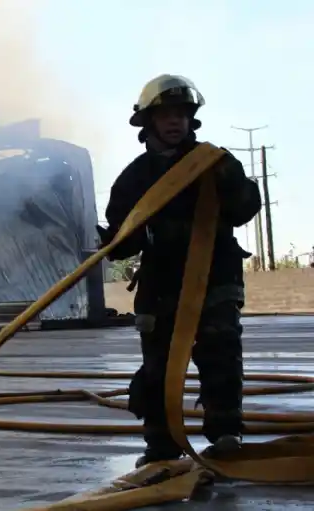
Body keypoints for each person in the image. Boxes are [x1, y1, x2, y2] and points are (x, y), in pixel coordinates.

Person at [96, 74, 262, 468]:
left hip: (214, 278)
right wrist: (108, 240)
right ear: (148, 122)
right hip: (161, 284)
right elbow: (125, 241)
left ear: (191, 119)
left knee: (221, 356)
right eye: (165, 114)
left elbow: (243, 210)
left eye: (181, 114)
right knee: (159, 366)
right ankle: (162, 444)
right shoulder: (135, 178)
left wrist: (233, 183)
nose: (175, 121)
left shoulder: (214, 162)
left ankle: (226, 435)